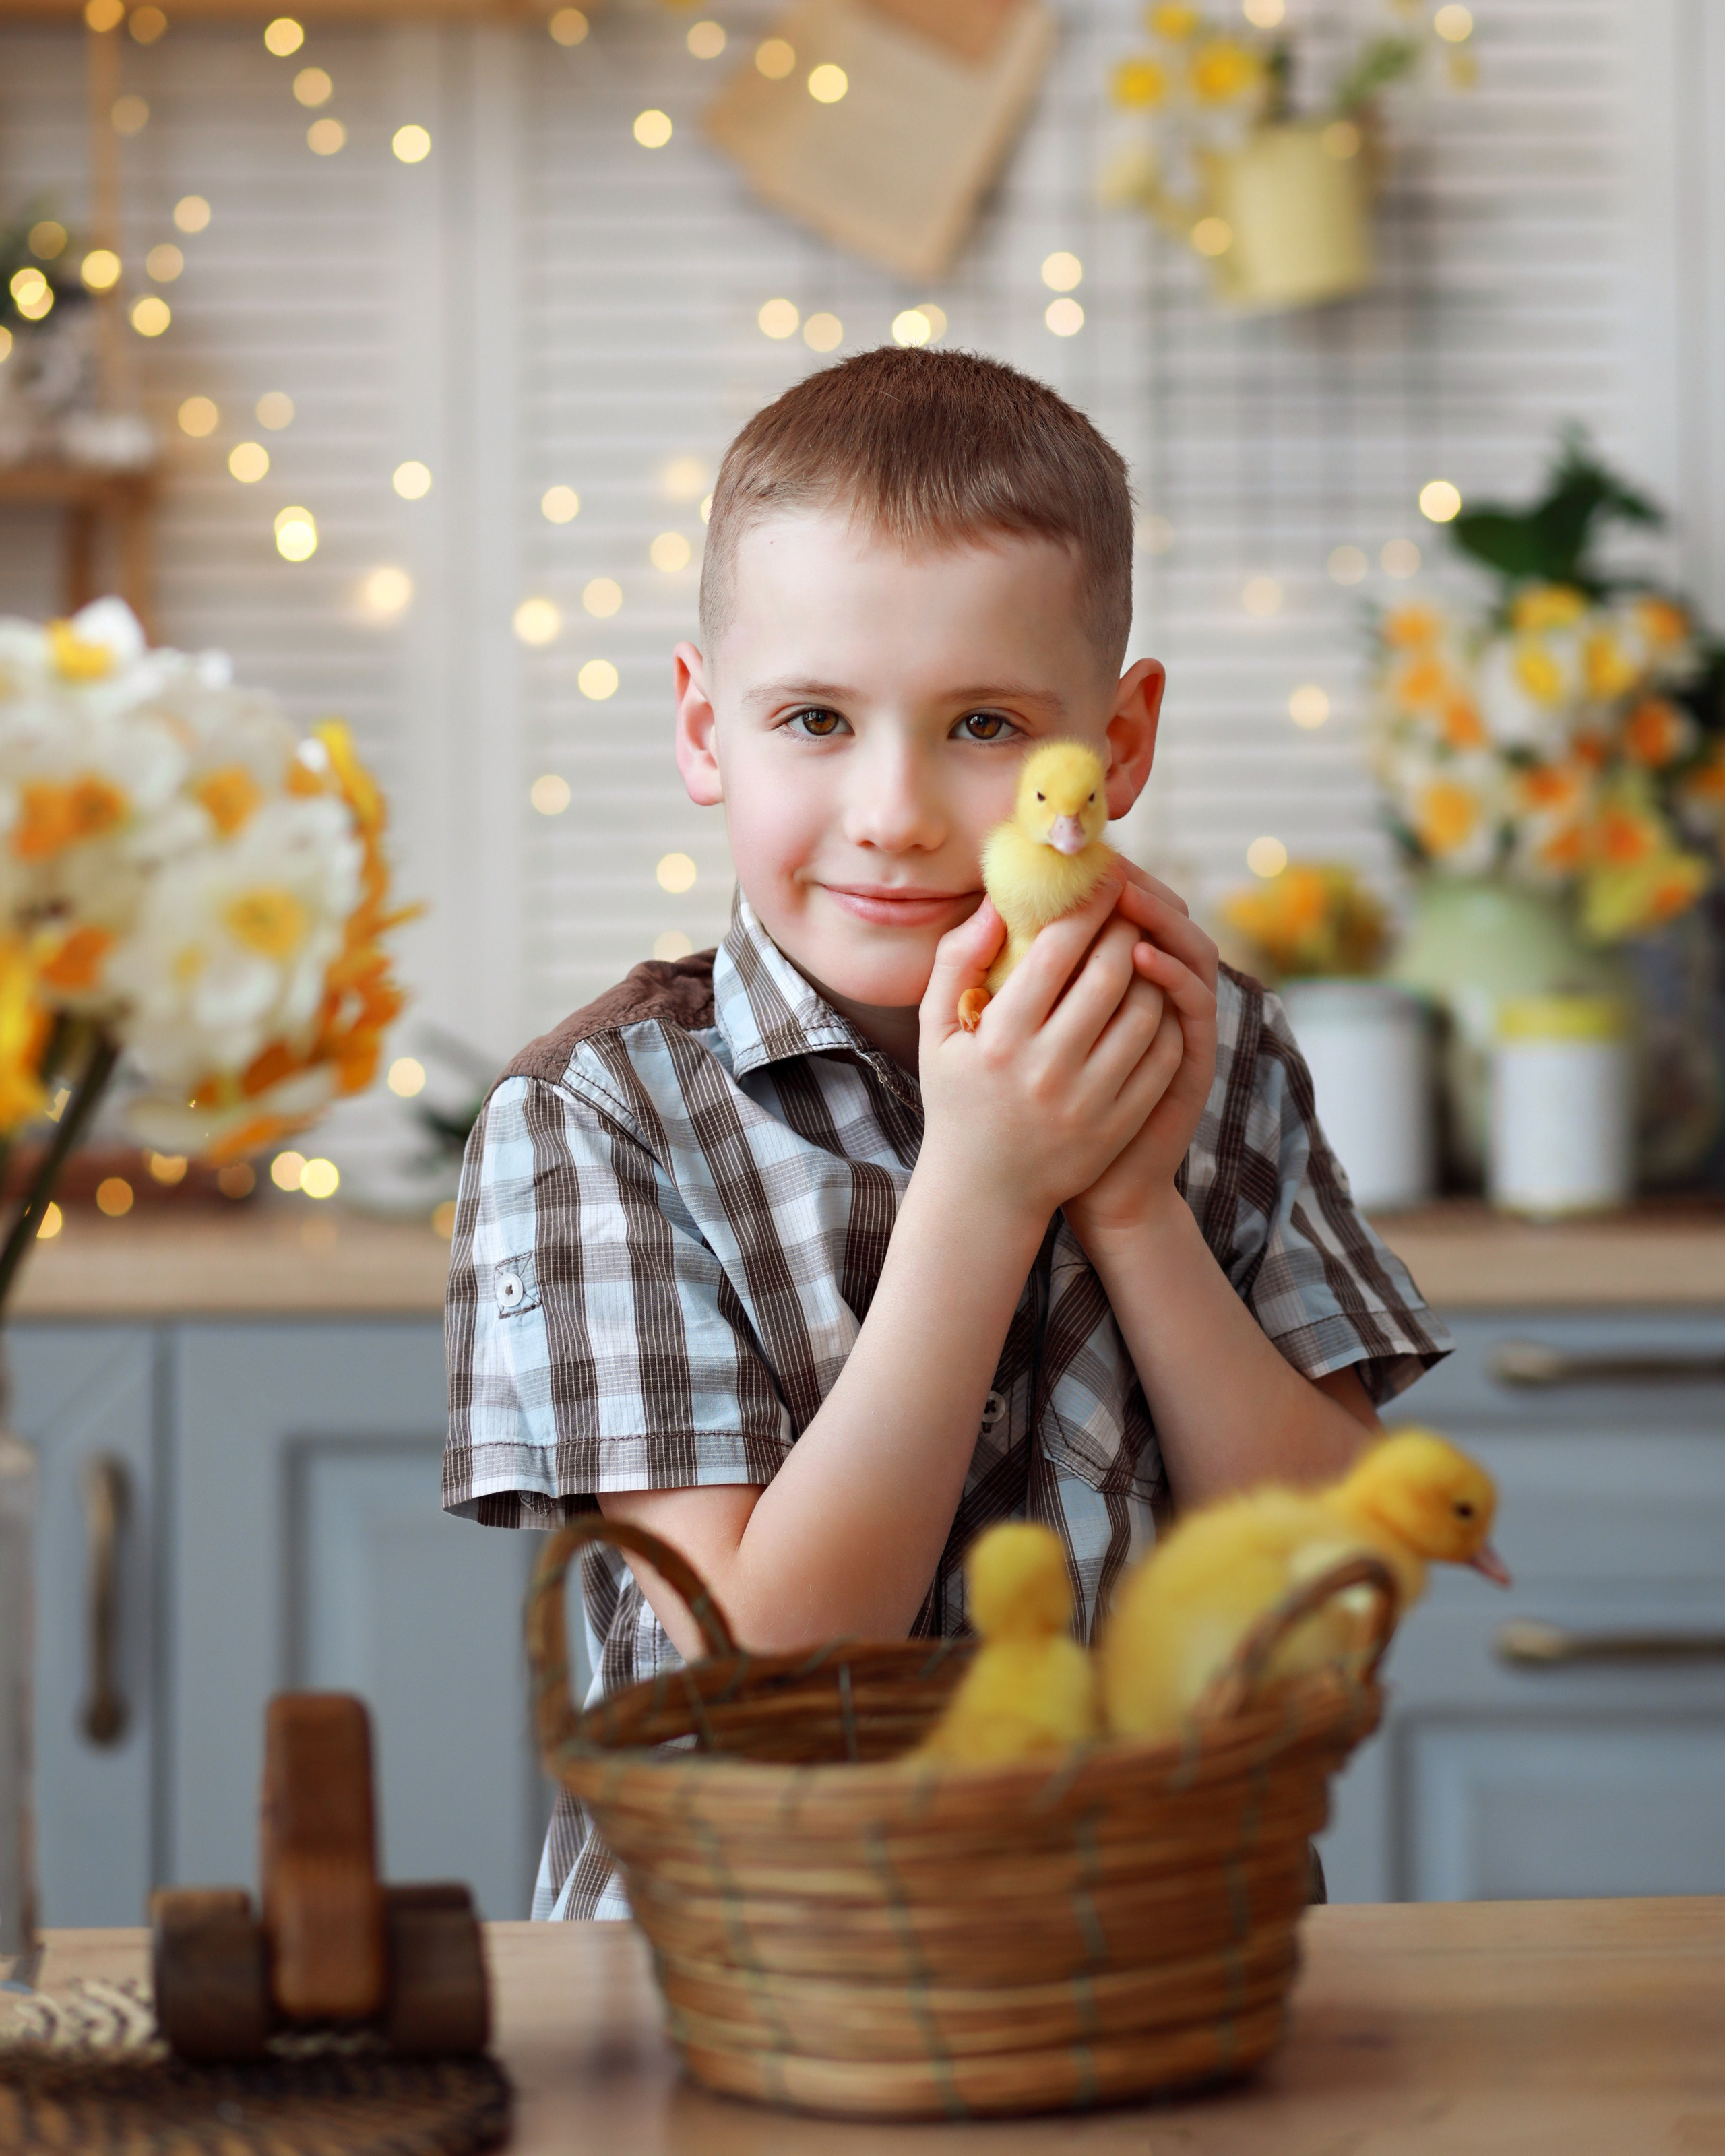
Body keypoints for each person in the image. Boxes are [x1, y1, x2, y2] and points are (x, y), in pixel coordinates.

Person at [443, 346, 1449, 1919]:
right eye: (814, 719)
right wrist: (985, 1191)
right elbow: (745, 1667)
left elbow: (1324, 1587)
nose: (896, 808)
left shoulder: (1218, 1046)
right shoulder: (597, 1118)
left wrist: (1127, 1195)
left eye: (983, 724)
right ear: (705, 729)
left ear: (1113, 746)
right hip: (750, 1981)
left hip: (1170, 1949)